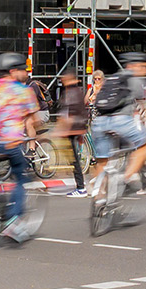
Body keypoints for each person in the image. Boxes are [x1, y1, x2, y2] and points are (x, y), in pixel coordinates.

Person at [0, 52, 42, 240]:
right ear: (13, 71)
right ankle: (13, 220)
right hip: (11, 143)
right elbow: (34, 120)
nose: (26, 73)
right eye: (23, 70)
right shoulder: (24, 91)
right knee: (21, 177)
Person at [88, 52, 146, 196]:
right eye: (144, 67)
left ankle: (98, 196)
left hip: (99, 122)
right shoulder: (133, 79)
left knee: (102, 161)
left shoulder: (112, 79)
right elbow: (141, 105)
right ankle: (124, 180)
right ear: (133, 66)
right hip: (121, 121)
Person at [54, 66, 91, 197]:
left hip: (72, 130)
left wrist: (61, 129)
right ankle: (80, 185)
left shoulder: (71, 92)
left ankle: (81, 187)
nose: (62, 80)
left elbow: (69, 113)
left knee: (74, 159)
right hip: (76, 129)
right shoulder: (77, 91)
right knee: (73, 159)